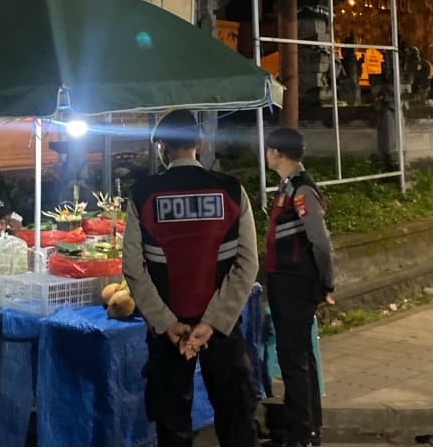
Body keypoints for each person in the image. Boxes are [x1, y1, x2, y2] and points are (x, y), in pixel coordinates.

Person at [123, 110, 259, 447]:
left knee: (172, 427)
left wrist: (166, 323)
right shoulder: (231, 191)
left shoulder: (142, 194)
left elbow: (133, 268)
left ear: (162, 147)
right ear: (199, 142)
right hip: (222, 330)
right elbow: (247, 264)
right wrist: (212, 322)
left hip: (169, 332)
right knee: (237, 422)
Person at [264, 127, 336, 447]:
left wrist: (326, 282)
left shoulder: (302, 189)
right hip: (285, 281)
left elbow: (320, 242)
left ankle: (301, 435)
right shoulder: (288, 187)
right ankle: (308, 429)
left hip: (295, 283)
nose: (267, 155)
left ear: (278, 153)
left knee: (294, 359)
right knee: (299, 356)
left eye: (269, 150)